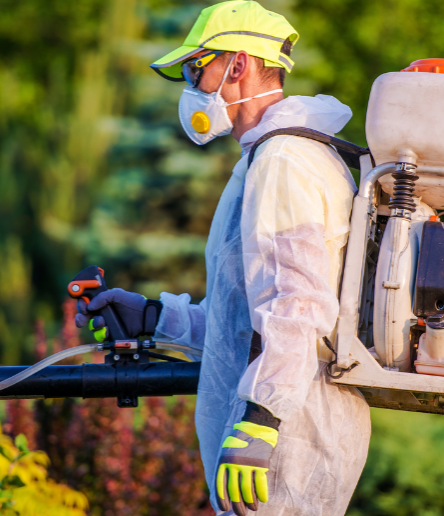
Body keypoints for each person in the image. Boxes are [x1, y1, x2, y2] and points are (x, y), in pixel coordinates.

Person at [75, 2, 371, 514]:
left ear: (236, 65)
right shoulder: (270, 156)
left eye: (196, 68)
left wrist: (260, 420)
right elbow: (240, 323)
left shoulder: (284, 161)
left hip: (285, 447)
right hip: (276, 442)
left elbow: (298, 307)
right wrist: (151, 318)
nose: (191, 85)